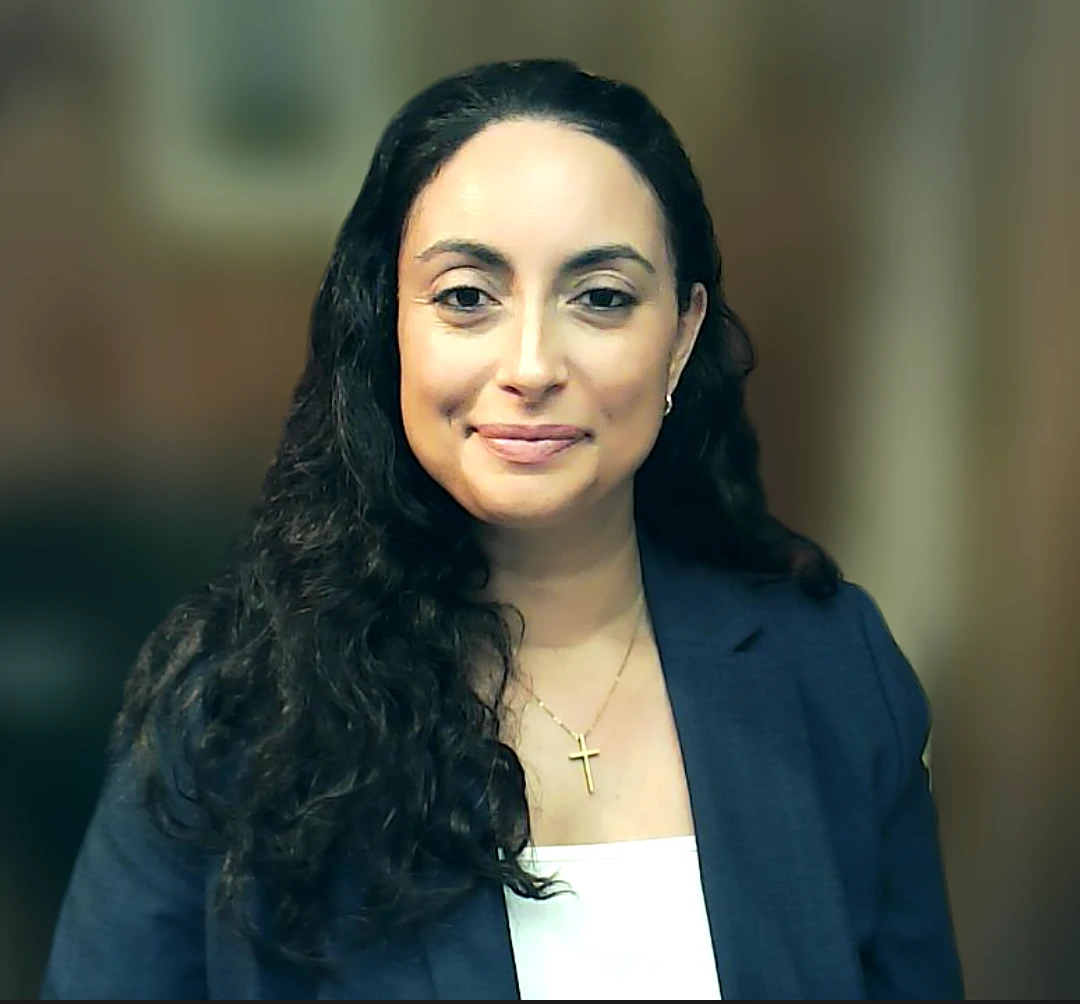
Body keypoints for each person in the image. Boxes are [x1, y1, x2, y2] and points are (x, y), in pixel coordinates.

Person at [39, 58, 964, 1000]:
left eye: (600, 297)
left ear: (682, 336)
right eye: (466, 297)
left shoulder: (831, 672)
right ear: (389, 325)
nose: (531, 365)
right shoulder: (237, 710)